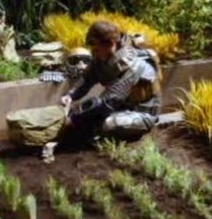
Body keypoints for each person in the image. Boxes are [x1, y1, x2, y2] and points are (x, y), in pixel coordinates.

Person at [42, 21, 161, 162]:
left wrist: (73, 119)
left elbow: (107, 103)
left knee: (105, 124)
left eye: (96, 47)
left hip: (142, 114)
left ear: (110, 43)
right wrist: (71, 95)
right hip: (122, 105)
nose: (94, 51)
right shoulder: (103, 57)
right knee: (89, 119)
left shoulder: (133, 66)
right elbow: (87, 79)